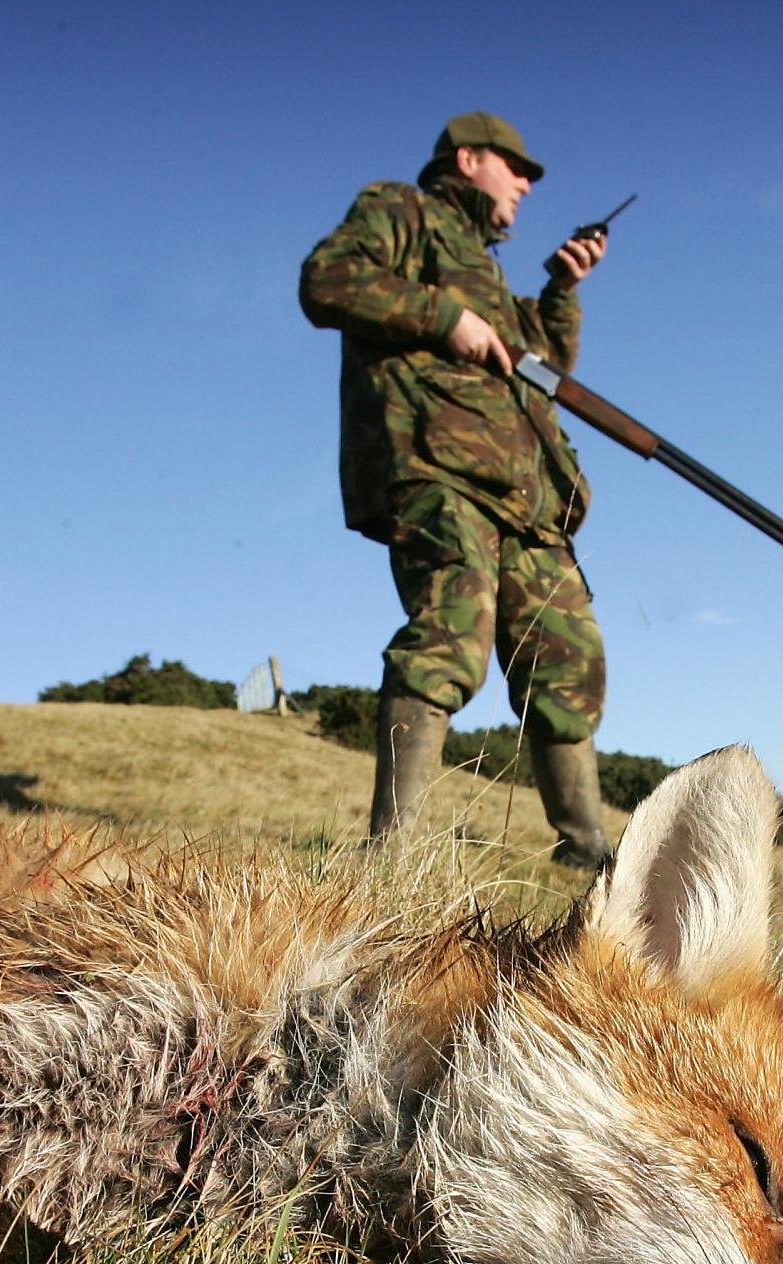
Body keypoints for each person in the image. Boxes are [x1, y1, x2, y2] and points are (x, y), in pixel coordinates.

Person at [299, 111, 615, 866]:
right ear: (469, 159)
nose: (528, 183)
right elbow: (327, 279)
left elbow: (543, 368)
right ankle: (392, 858)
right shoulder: (401, 210)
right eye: (518, 167)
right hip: (440, 471)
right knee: (450, 638)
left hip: (526, 496)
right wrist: (446, 318)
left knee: (568, 659)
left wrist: (561, 290)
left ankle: (587, 852)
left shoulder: (490, 269)